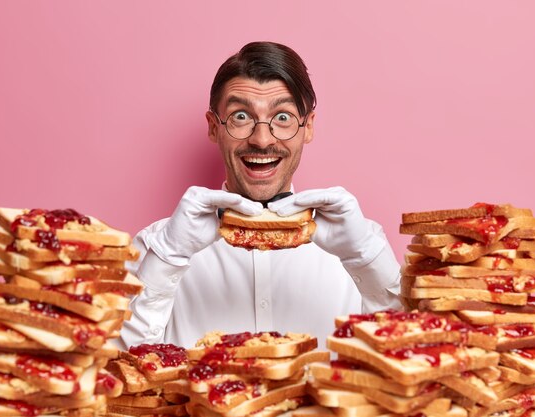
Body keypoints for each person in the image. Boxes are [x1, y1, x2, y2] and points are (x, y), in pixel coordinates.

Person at [120, 41, 401, 349]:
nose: (262, 139)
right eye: (241, 117)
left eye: (282, 118)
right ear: (214, 128)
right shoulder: (155, 248)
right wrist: (167, 258)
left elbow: (408, 358)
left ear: (308, 127)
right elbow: (117, 372)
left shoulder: (360, 243)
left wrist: (367, 260)